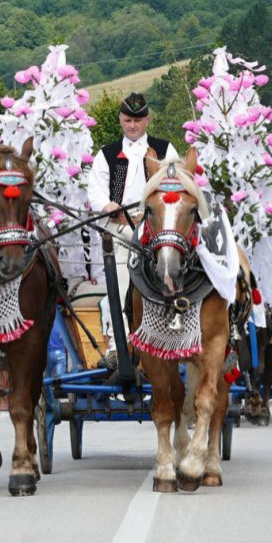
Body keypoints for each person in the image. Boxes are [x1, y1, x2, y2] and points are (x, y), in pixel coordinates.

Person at [86, 92, 178, 366]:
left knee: (172, 276)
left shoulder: (165, 150)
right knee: (120, 282)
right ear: (120, 120)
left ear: (147, 120)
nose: (132, 126)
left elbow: (177, 183)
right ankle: (118, 346)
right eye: (127, 120)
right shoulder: (107, 154)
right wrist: (107, 206)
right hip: (122, 230)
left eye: (138, 121)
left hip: (159, 232)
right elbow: (95, 189)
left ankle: (171, 338)